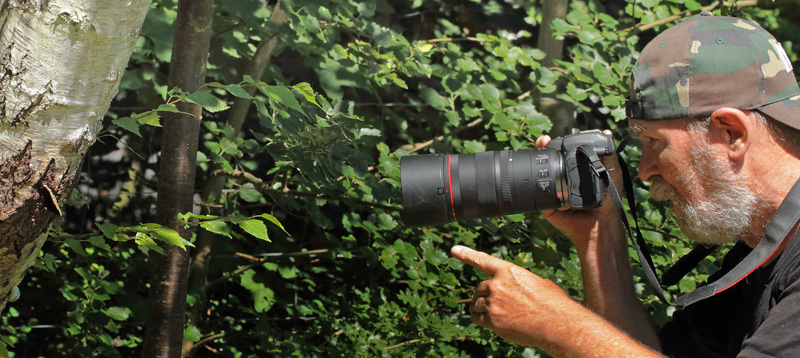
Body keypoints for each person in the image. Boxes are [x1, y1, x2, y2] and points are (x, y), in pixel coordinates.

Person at [451, 13, 800, 358]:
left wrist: (560, 326)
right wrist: (599, 236)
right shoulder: (762, 245)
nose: (645, 171)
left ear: (732, 133)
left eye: (654, 142)